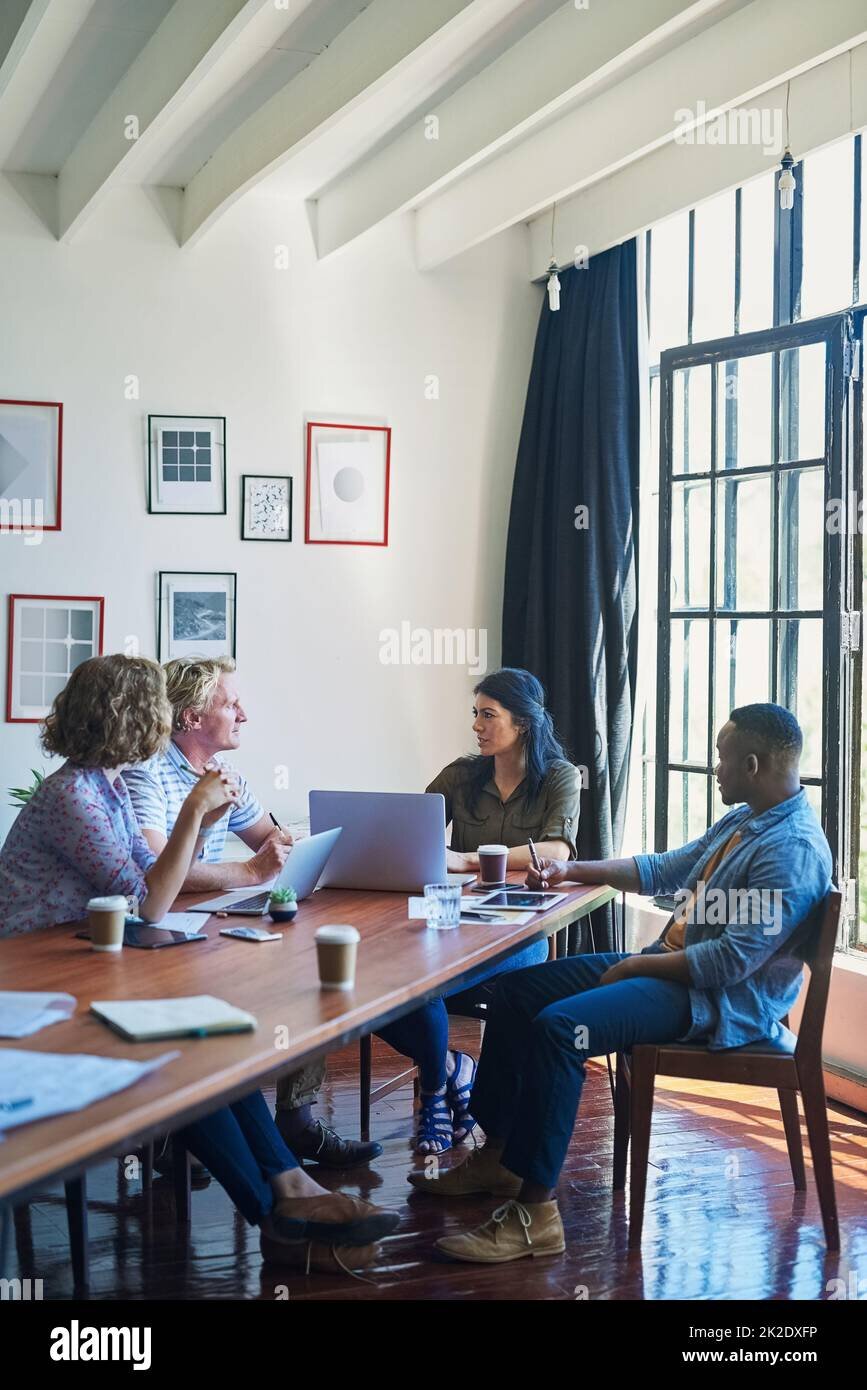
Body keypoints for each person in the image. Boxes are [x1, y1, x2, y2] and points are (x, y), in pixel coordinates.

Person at [0, 655, 399, 1271]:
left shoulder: (104, 786)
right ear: (130, 716)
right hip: (35, 979)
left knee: (209, 1053)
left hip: (89, 962)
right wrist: (193, 813)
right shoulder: (73, 796)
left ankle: (290, 1204)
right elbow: (146, 896)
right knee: (193, 1062)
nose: (163, 718)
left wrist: (202, 815)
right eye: (155, 709)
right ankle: (288, 1207)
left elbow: (153, 894)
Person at [407, 703, 833, 1264]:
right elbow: (664, 869)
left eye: (721, 760)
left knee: (562, 1030)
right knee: (515, 994)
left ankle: (536, 1217)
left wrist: (636, 966)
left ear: (752, 764)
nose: (715, 770)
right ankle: (502, 1157)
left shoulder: (792, 849)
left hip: (716, 1002)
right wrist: (570, 870)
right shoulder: (746, 818)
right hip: (672, 965)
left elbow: (729, 963)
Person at [122, 656, 378, 1170]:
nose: (244, 714)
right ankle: (180, 1129)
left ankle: (296, 1118)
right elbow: (151, 872)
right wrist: (250, 873)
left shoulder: (225, 774)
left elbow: (270, 840)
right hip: (154, 937)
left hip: (208, 927)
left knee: (309, 971)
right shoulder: (144, 775)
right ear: (192, 718)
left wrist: (285, 846)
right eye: (232, 703)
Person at [376, 668, 582, 1154]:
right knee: (385, 986)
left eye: (489, 715)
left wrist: (468, 858)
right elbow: (411, 830)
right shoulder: (460, 775)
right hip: (452, 926)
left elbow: (557, 851)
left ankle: (433, 1096)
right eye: (477, 714)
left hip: (521, 934)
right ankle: (449, 1070)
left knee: (422, 987)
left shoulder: (559, 776)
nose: (477, 726)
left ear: (523, 723)